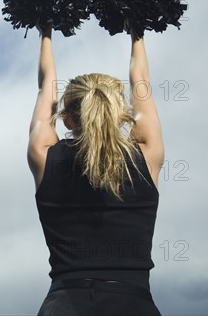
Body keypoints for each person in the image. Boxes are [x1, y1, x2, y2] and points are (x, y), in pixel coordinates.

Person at [27, 24, 163, 315]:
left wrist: (46, 31)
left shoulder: (43, 155)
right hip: (132, 304)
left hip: (64, 304)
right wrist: (137, 29)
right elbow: (141, 80)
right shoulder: (147, 151)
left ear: (67, 120)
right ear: (121, 115)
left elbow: (46, 87)